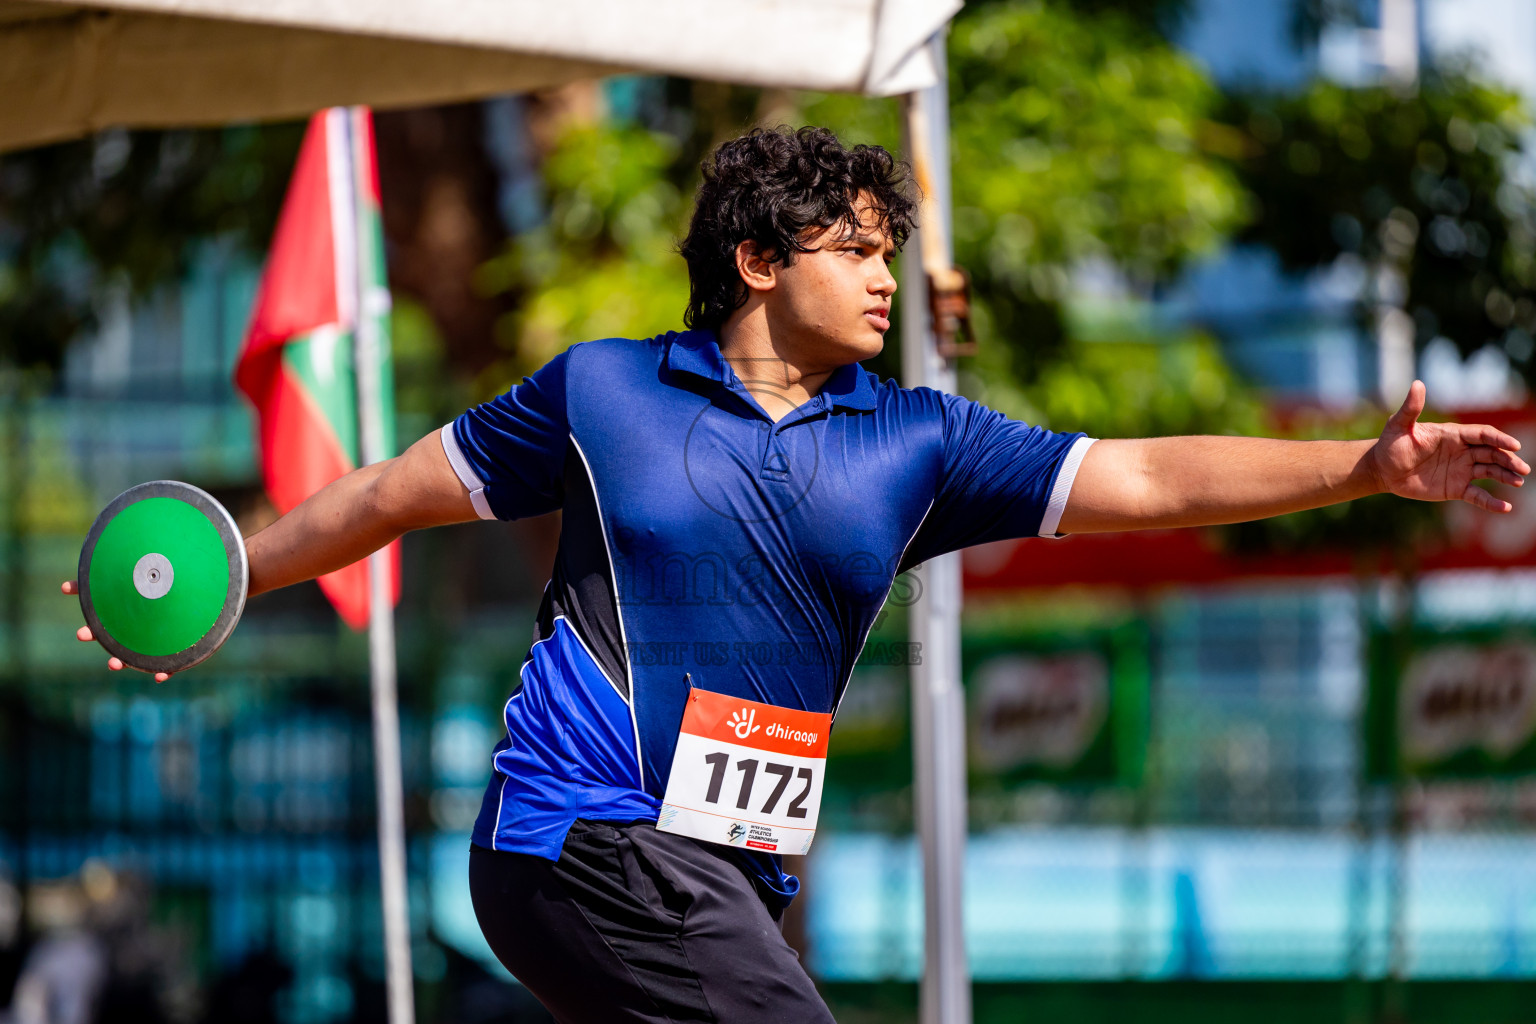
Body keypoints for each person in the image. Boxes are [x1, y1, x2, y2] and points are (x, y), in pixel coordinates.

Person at [66, 126, 1529, 1022]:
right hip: (578, 841)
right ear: (760, 259)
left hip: (729, 880)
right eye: (857, 248)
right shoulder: (603, 395)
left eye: (894, 250)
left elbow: (1137, 475)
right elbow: (387, 495)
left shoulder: (917, 442)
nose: (888, 276)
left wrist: (1358, 467)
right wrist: (230, 570)